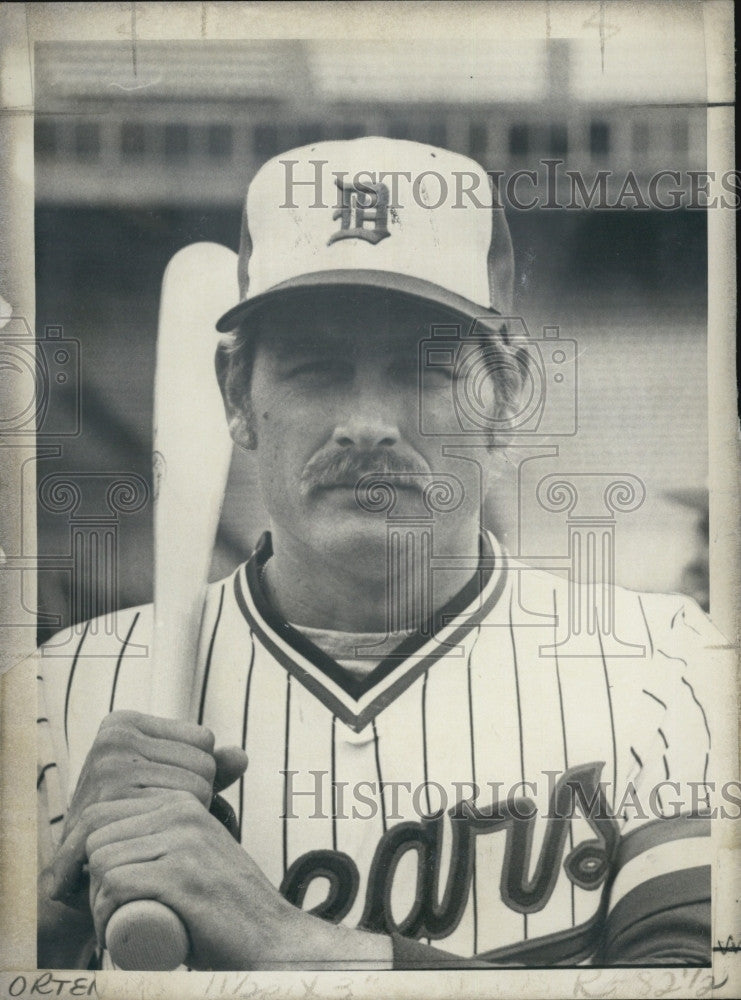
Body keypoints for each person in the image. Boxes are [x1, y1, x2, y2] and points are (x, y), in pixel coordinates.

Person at [36, 137, 721, 971]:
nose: (367, 422)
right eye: (316, 368)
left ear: (506, 397)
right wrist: (44, 910)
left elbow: (689, 981)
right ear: (236, 399)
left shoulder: (669, 662)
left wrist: (282, 941)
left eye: (420, 371)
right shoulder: (54, 693)